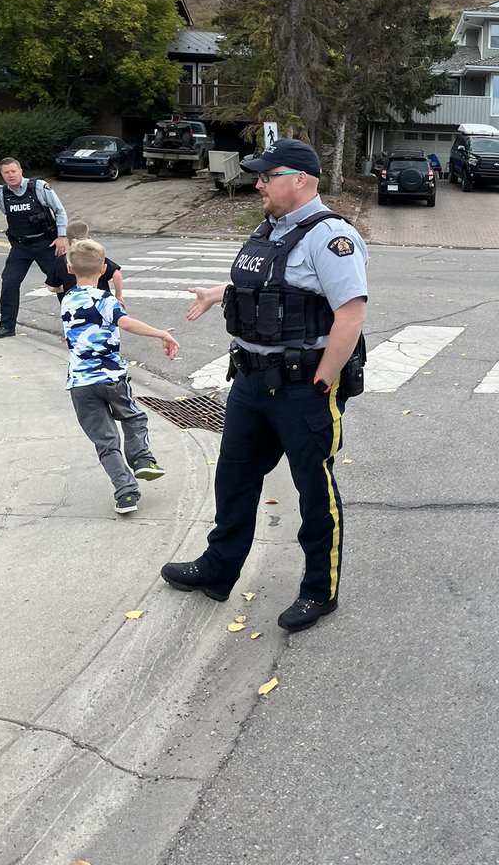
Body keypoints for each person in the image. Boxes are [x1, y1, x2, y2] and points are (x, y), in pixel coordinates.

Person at [160, 138, 369, 633]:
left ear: (300, 178)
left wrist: (322, 382)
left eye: (266, 176)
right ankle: (217, 568)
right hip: (251, 383)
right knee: (233, 479)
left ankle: (319, 590)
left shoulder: (331, 237)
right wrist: (219, 293)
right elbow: (270, 287)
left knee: (314, 492)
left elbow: (351, 314)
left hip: (303, 388)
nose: (257, 184)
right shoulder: (270, 229)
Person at [62, 237, 178, 514]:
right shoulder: (105, 299)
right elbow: (125, 323)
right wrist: (161, 333)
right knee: (134, 417)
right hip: (111, 377)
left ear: (69, 268)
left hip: (80, 383)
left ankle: (125, 494)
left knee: (105, 441)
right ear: (104, 269)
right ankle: (141, 460)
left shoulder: (67, 299)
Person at [0, 157, 68, 338]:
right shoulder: (1, 194)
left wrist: (61, 236)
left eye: (13, 171)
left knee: (63, 282)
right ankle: (7, 326)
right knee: (9, 282)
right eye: (6, 172)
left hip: (46, 244)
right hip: (20, 247)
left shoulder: (38, 187)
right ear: (1, 175)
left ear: (20, 171)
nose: (10, 175)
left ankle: (75, 323)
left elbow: (59, 210)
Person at [45, 219, 125, 304]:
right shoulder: (95, 255)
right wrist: (118, 296)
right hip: (100, 303)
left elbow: (52, 288)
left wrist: (66, 288)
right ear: (89, 238)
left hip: (73, 306)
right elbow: (117, 274)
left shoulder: (61, 261)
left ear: (68, 241)